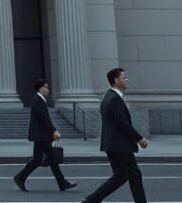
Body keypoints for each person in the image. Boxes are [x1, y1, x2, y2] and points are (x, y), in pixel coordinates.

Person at [82, 67, 149, 203]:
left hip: (113, 143)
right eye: (124, 77)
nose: (127, 79)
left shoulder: (109, 97)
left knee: (121, 176)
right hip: (120, 144)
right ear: (116, 80)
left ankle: (92, 199)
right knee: (134, 175)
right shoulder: (114, 99)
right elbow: (122, 123)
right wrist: (139, 139)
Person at [12, 79, 76, 192]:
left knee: (47, 160)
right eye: (45, 87)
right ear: (40, 88)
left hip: (41, 136)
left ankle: (62, 183)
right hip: (42, 136)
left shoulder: (40, 100)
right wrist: (54, 130)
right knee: (46, 160)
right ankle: (20, 178)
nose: (48, 89)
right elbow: (44, 119)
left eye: (47, 87)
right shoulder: (38, 101)